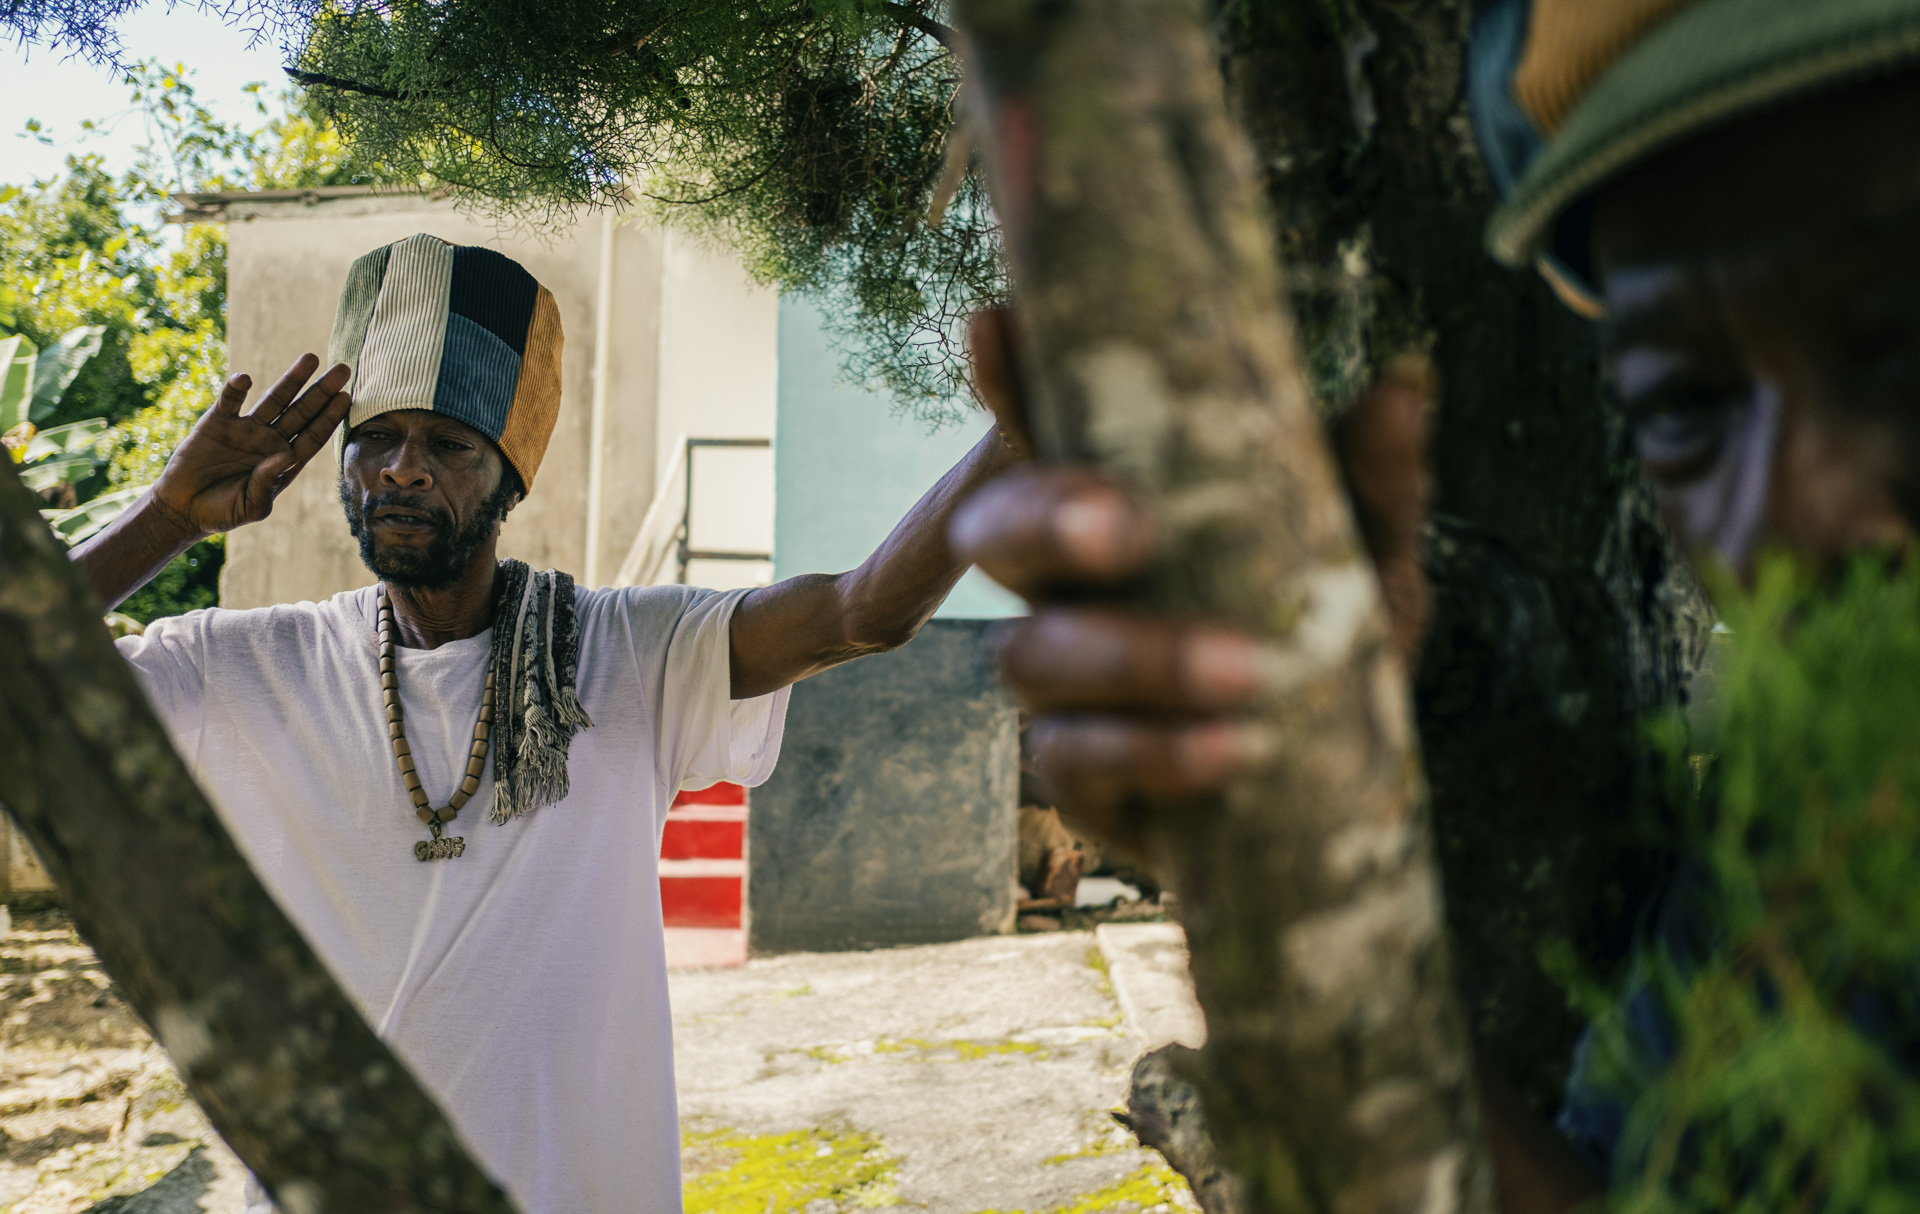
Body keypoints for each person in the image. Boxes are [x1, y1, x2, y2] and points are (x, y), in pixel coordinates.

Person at [948, 0, 1920, 1210]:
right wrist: (1293, 831)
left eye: (1899, 340)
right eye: (1686, 406)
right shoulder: (1812, 834)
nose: (1806, 512)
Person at [75, 233, 1019, 1214]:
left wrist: (1011, 443)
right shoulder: (244, 668)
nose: (402, 469)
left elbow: (860, 611)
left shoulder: (629, 651)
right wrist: (169, 517)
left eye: (447, 444)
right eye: (376, 438)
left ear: (510, 476)